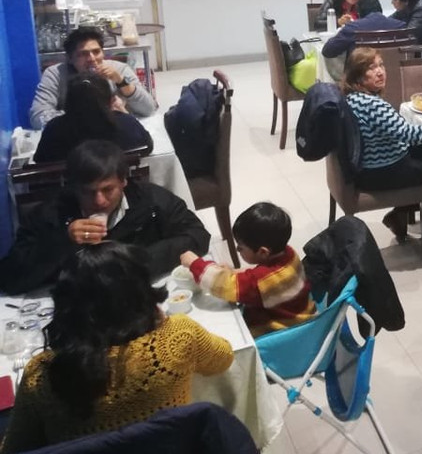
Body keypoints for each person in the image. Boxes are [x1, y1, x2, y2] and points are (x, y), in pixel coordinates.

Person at [0, 243, 233, 452]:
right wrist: (163, 322)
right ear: (141, 291)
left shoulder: (41, 377)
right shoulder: (178, 337)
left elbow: (15, 447)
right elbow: (224, 357)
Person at [0, 140, 210, 294]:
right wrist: (64, 241)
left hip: (138, 299)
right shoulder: (52, 213)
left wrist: (137, 261)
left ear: (123, 181)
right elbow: (10, 278)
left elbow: (198, 235)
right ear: (75, 188)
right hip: (77, 307)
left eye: (108, 189)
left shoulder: (150, 201)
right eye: (88, 192)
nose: (99, 201)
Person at [342, 47, 422, 239]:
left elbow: (399, 131)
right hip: (381, 171)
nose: (380, 71)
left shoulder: (354, 98)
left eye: (381, 65)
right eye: (371, 68)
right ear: (357, 76)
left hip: (371, 165)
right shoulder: (373, 105)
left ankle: (400, 215)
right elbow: (407, 134)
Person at [180, 202, 316, 337]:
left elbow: (225, 285)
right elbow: (262, 276)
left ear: (263, 252)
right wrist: (234, 272)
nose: (237, 249)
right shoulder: (289, 253)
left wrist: (194, 263)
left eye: (241, 247)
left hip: (283, 332)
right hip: (304, 317)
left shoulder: (262, 282)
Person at [30, 26, 156, 129]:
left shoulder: (119, 69)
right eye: (83, 54)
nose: (92, 59)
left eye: (96, 52)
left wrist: (122, 82)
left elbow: (149, 109)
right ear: (70, 58)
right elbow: (38, 117)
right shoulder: (55, 74)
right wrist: (94, 114)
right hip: (75, 137)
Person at [33, 72, 154, 164]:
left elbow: (40, 160)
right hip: (121, 189)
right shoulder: (127, 124)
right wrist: (124, 113)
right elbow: (147, 147)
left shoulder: (54, 129)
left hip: (70, 190)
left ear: (66, 104)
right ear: (112, 101)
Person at [322, 0, 405, 60]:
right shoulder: (400, 26)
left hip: (359, 74)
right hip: (395, 73)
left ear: (359, 13)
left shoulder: (353, 28)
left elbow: (328, 51)